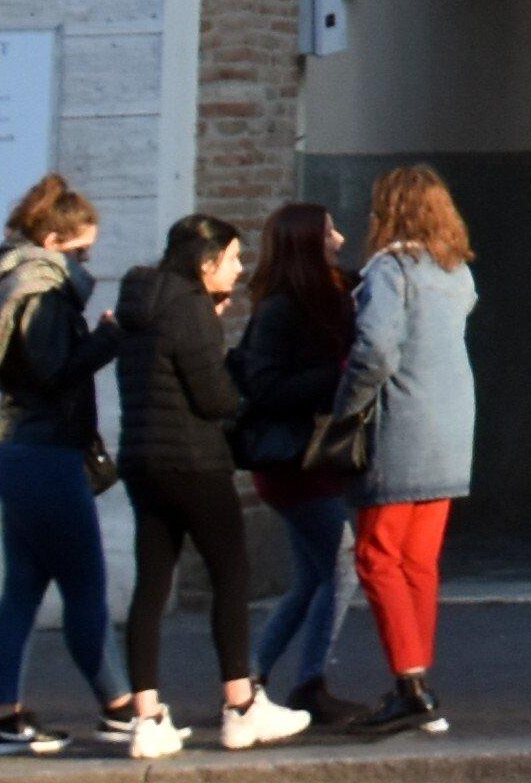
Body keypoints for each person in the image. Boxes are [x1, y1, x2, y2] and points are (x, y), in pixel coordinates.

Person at [0, 176, 134, 756]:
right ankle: (121, 710)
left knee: (22, 590)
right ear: (53, 240)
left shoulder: (17, 278)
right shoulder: (41, 291)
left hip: (18, 451)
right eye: (81, 250)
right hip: (43, 455)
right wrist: (110, 338)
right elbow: (50, 375)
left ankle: (3, 719)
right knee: (85, 587)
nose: (87, 260)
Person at [329, 165, 480, 737]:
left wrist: (345, 409)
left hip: (402, 426)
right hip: (452, 429)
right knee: (418, 563)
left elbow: (373, 349)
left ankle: (410, 687)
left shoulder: (392, 270)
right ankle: (417, 680)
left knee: (375, 557)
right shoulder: (456, 273)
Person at [114, 215, 260, 751]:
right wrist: (235, 377)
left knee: (151, 586)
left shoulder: (139, 306)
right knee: (231, 574)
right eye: (234, 258)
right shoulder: (192, 310)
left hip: (142, 459)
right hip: (194, 459)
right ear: (206, 263)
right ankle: (241, 706)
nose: (240, 269)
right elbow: (213, 399)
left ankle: (147, 717)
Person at [221, 202, 359, 746]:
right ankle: (309, 683)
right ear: (306, 241)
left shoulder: (327, 294)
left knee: (312, 578)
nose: (340, 239)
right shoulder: (280, 310)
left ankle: (250, 680)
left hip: (309, 457)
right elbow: (266, 388)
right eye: (328, 231)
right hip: (290, 460)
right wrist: (338, 377)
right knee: (342, 565)